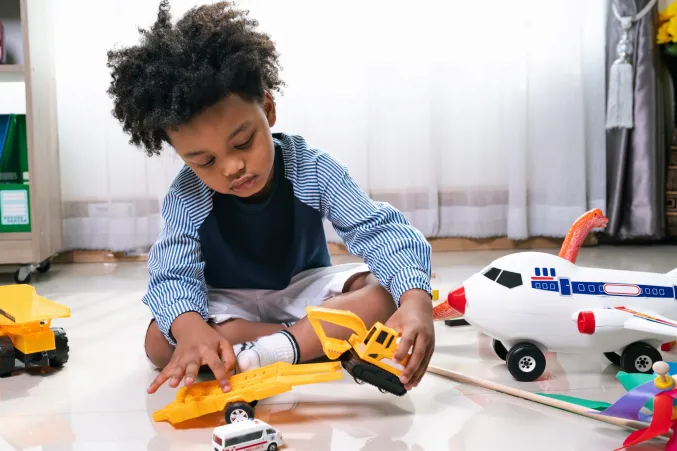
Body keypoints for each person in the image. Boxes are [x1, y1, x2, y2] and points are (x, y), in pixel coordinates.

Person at [106, 0, 435, 396]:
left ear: (267, 108)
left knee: (386, 292)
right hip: (231, 304)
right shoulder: (187, 194)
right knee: (159, 341)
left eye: (243, 142)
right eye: (204, 160)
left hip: (305, 291)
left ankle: (267, 349)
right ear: (181, 154)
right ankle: (300, 343)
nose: (230, 168)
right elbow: (173, 270)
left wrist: (415, 300)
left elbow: (378, 231)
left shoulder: (312, 168)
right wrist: (190, 326)